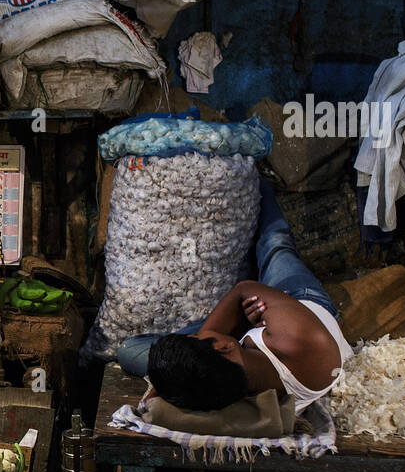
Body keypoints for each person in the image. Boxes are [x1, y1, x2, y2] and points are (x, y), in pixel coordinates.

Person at [118, 177, 353, 414]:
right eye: (198, 338)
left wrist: (168, 378)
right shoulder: (295, 337)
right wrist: (237, 322)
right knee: (275, 245)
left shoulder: (215, 387)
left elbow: (242, 292)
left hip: (250, 328)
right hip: (300, 299)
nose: (198, 335)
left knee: (129, 351)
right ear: (224, 348)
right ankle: (260, 181)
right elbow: (244, 289)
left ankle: (254, 179)